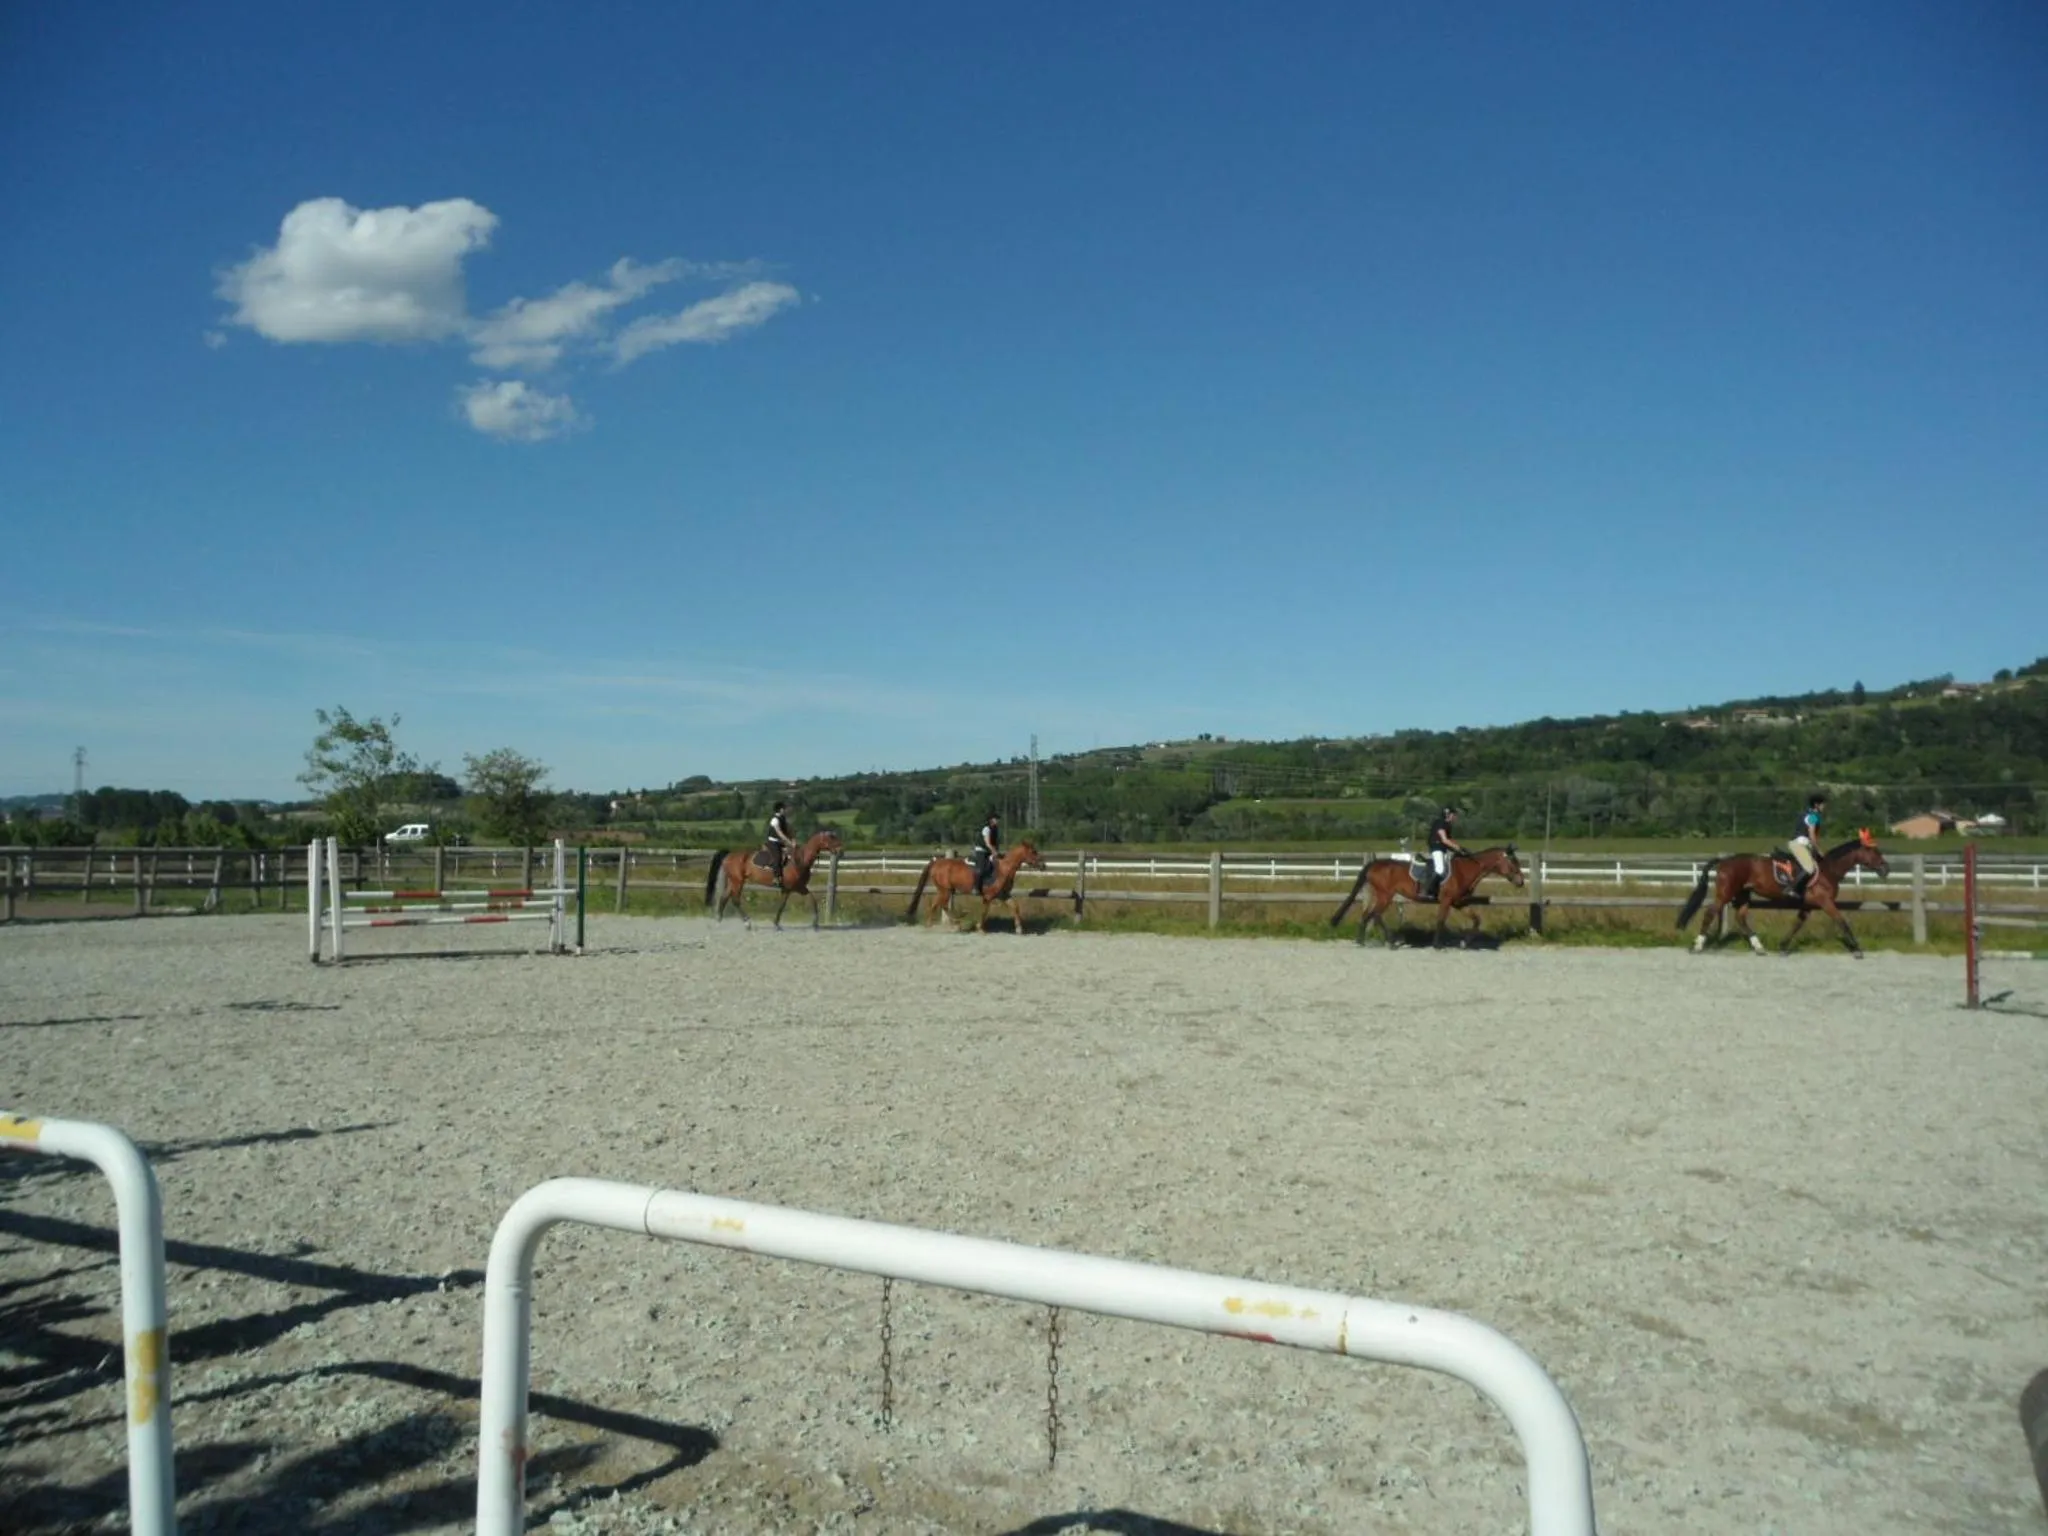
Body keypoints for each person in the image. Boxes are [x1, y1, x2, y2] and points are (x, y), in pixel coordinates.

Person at [1788, 793, 1826, 901]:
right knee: (1809, 868)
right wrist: (1819, 850)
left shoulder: (1806, 813)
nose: (1824, 807)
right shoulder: (1813, 817)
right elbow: (1812, 835)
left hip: (1802, 844)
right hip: (1799, 844)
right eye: (1823, 805)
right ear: (1816, 805)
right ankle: (1792, 888)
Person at [1423, 805, 1464, 900]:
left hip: (1443, 850)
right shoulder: (1440, 823)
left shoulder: (1447, 825)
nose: (1455, 817)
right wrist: (1457, 847)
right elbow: (1445, 840)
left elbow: (1450, 840)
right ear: (1448, 815)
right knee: (1440, 869)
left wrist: (1460, 848)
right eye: (1454, 815)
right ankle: (1430, 891)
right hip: (1437, 849)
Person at [764, 801, 795, 879]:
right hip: (773, 842)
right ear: (780, 809)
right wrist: (789, 842)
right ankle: (776, 877)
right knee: (778, 858)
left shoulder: (783, 819)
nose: (786, 810)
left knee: (795, 852)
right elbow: (779, 833)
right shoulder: (775, 820)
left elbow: (789, 830)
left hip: (781, 841)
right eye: (784, 808)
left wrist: (793, 840)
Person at [973, 810, 1002, 893]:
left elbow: (995, 842)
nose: (998, 820)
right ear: (991, 820)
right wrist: (994, 852)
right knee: (981, 869)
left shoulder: (995, 829)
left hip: (988, 850)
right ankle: (977, 888)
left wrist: (997, 851)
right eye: (996, 819)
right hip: (981, 850)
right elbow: (988, 843)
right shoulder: (986, 829)